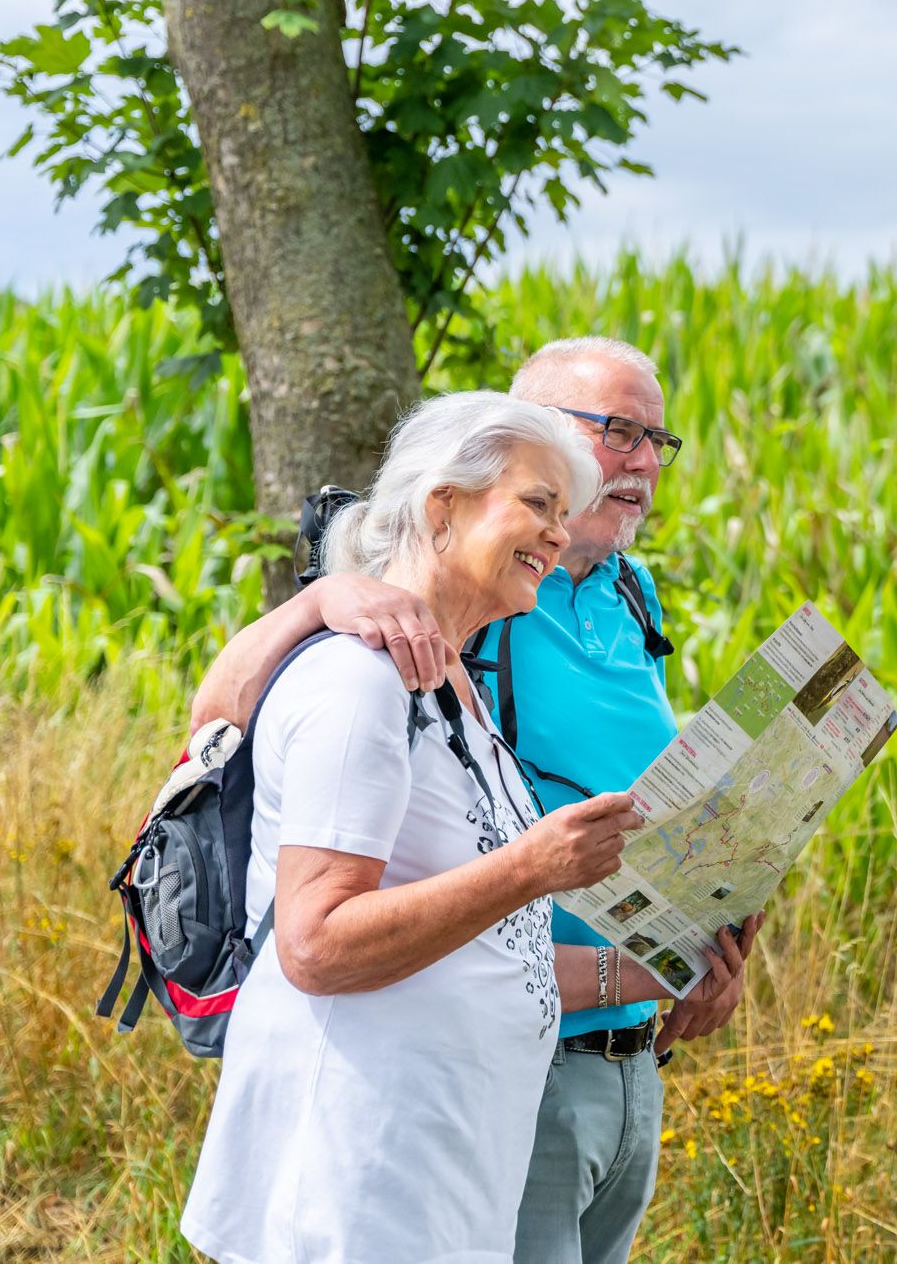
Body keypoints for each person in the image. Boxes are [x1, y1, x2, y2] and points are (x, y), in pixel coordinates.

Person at [188, 337, 755, 1264]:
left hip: (482, 1138)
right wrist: (318, 601)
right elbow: (316, 938)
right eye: (618, 432)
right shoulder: (368, 671)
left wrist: (682, 951)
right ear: (442, 507)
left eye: (657, 439)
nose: (644, 461)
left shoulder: (490, 667)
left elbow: (504, 941)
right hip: (371, 1174)